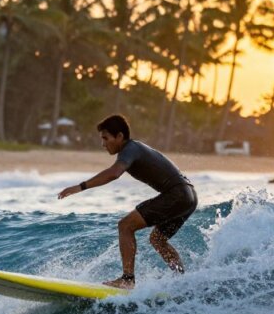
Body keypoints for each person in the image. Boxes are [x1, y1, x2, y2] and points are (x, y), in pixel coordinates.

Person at [57, 114, 198, 289]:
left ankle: (127, 279)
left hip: (177, 194)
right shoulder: (135, 148)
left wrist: (80, 187)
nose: (103, 144)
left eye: (105, 138)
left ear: (120, 136)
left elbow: (114, 173)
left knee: (125, 226)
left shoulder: (130, 149)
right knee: (157, 239)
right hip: (189, 196)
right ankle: (181, 280)